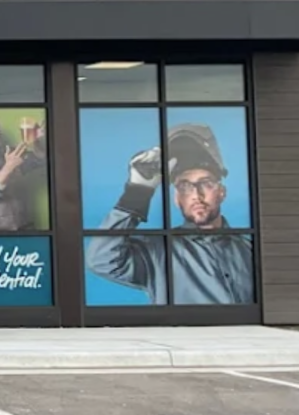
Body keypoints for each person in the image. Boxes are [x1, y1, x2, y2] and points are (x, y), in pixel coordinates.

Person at [87, 122, 255, 305]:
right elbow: (101, 260)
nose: (196, 195)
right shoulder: (157, 251)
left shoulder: (250, 246)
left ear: (221, 192)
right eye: (185, 186)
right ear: (177, 198)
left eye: (205, 183)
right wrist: (137, 192)